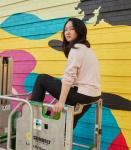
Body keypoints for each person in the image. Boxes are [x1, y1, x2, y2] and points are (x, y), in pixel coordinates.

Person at [31, 18, 101, 128]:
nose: (67, 32)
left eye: (71, 29)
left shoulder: (76, 48)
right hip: (93, 95)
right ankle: (62, 140)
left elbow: (69, 77)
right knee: (68, 124)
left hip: (82, 93)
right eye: (65, 29)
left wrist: (61, 102)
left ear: (79, 30)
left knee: (41, 79)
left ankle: (34, 119)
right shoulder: (87, 49)